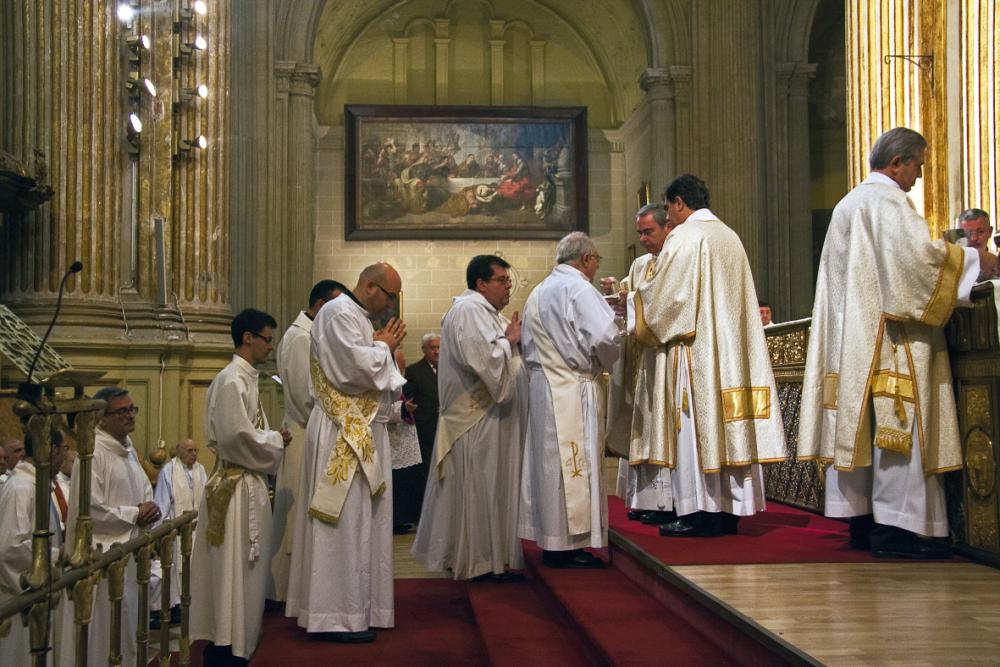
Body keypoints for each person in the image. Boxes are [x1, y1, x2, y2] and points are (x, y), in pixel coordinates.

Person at [799, 127, 998, 558]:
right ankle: (898, 532)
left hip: (855, 338)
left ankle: (864, 523)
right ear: (896, 163)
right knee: (899, 434)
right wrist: (974, 260)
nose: (919, 176)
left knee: (866, 432)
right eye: (917, 166)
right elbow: (916, 266)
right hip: (890, 339)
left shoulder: (849, 203)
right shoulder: (886, 203)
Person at [630, 175, 787, 537]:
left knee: (694, 431)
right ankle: (728, 511)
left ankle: (699, 512)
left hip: (696, 354)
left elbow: (668, 300)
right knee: (727, 430)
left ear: (679, 202)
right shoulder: (729, 236)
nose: (669, 218)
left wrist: (635, 301)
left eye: (668, 208)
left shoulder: (685, 237)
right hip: (731, 354)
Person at [285, 263, 407, 643]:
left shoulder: (357, 317)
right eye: (390, 296)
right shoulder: (338, 312)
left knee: (363, 522)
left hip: (362, 431)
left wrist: (384, 354)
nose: (391, 305)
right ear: (370, 286)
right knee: (342, 523)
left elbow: (375, 380)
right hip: (342, 432)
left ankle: (361, 608)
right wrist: (384, 349)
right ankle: (335, 616)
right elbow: (350, 373)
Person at [411, 255, 525, 581]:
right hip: (476, 419)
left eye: (508, 281)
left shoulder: (485, 312)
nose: (508, 287)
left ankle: (486, 559)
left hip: (486, 417)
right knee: (480, 488)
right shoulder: (469, 310)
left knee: (487, 488)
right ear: (481, 284)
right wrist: (510, 342)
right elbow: (485, 360)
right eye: (501, 280)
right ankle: (480, 563)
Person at [190, 309, 291, 665]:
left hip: (245, 483)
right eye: (267, 339)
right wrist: (276, 439)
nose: (270, 346)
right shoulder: (232, 379)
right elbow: (236, 437)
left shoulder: (245, 377)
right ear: (248, 337)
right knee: (233, 570)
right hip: (235, 489)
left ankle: (239, 638)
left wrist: (270, 438)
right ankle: (228, 644)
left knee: (245, 571)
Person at [519, 232, 620, 568]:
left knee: (552, 466)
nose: (595, 267)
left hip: (543, 387)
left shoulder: (538, 291)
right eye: (596, 261)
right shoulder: (579, 288)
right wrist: (610, 361)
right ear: (586, 259)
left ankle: (553, 540)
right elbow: (605, 337)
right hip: (572, 387)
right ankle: (570, 544)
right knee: (576, 464)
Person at [65, 387, 159, 667]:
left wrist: (149, 510)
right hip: (103, 560)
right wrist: (135, 514)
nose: (130, 415)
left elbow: (145, 491)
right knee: (106, 633)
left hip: (130, 554)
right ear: (102, 418)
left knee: (129, 627)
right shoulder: (93, 453)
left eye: (132, 409)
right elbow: (88, 510)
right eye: (122, 411)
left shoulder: (128, 449)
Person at [271, 279, 346, 602]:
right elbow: (305, 396)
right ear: (320, 306)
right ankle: (291, 591)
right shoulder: (301, 337)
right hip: (305, 431)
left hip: (310, 428)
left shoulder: (311, 334)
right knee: (297, 518)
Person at [602, 203, 676, 526]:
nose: (644, 239)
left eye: (649, 232)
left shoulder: (675, 258)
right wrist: (618, 297)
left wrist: (632, 301)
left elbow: (668, 305)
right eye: (640, 233)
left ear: (667, 227)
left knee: (662, 428)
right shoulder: (640, 264)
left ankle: (667, 501)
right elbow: (631, 301)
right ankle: (646, 499)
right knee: (642, 429)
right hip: (642, 362)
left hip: (665, 359)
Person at [0, 429, 71, 666]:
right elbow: (10, 548)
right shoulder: (21, 488)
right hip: (21, 599)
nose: (65, 456)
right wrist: (57, 555)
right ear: (53, 450)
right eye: (64, 449)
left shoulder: (36, 484)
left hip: (40, 595)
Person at [151, 438, 207, 627]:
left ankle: (195, 606)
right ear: (179, 451)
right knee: (176, 570)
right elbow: (162, 501)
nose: (194, 454)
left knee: (196, 570)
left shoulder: (200, 470)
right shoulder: (169, 470)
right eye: (189, 450)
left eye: (196, 450)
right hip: (177, 533)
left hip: (197, 530)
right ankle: (176, 608)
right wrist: (163, 531)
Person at [399, 333, 440, 524]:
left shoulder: (449, 369)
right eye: (432, 348)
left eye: (439, 347)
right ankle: (425, 515)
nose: (437, 351)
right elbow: (408, 400)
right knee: (425, 475)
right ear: (424, 349)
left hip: (445, 429)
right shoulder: (414, 371)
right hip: (425, 431)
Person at [389, 349, 422, 533]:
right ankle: (397, 521)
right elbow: (383, 408)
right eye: (400, 363)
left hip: (405, 437)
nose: (403, 365)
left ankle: (407, 518)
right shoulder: (388, 381)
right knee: (397, 483)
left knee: (408, 479)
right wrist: (403, 408)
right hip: (393, 439)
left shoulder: (401, 379)